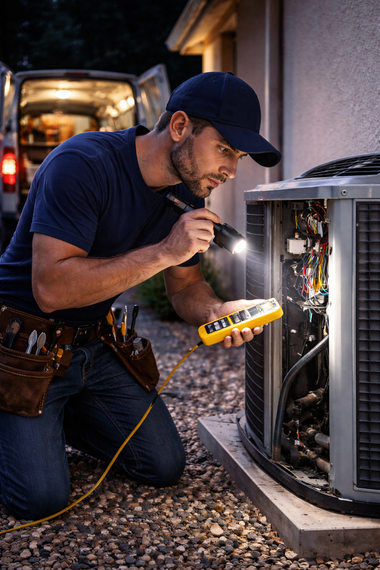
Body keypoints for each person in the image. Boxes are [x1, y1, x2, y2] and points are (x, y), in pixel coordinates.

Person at [0, 72, 281, 521]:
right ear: (180, 127)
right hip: (22, 348)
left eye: (239, 156)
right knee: (40, 500)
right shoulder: (82, 164)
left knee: (163, 464)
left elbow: (186, 287)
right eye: (225, 149)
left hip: (90, 347)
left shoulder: (185, 195)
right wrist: (165, 251)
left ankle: (54, 417)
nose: (231, 169)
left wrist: (216, 310)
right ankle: (25, 421)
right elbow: (50, 289)